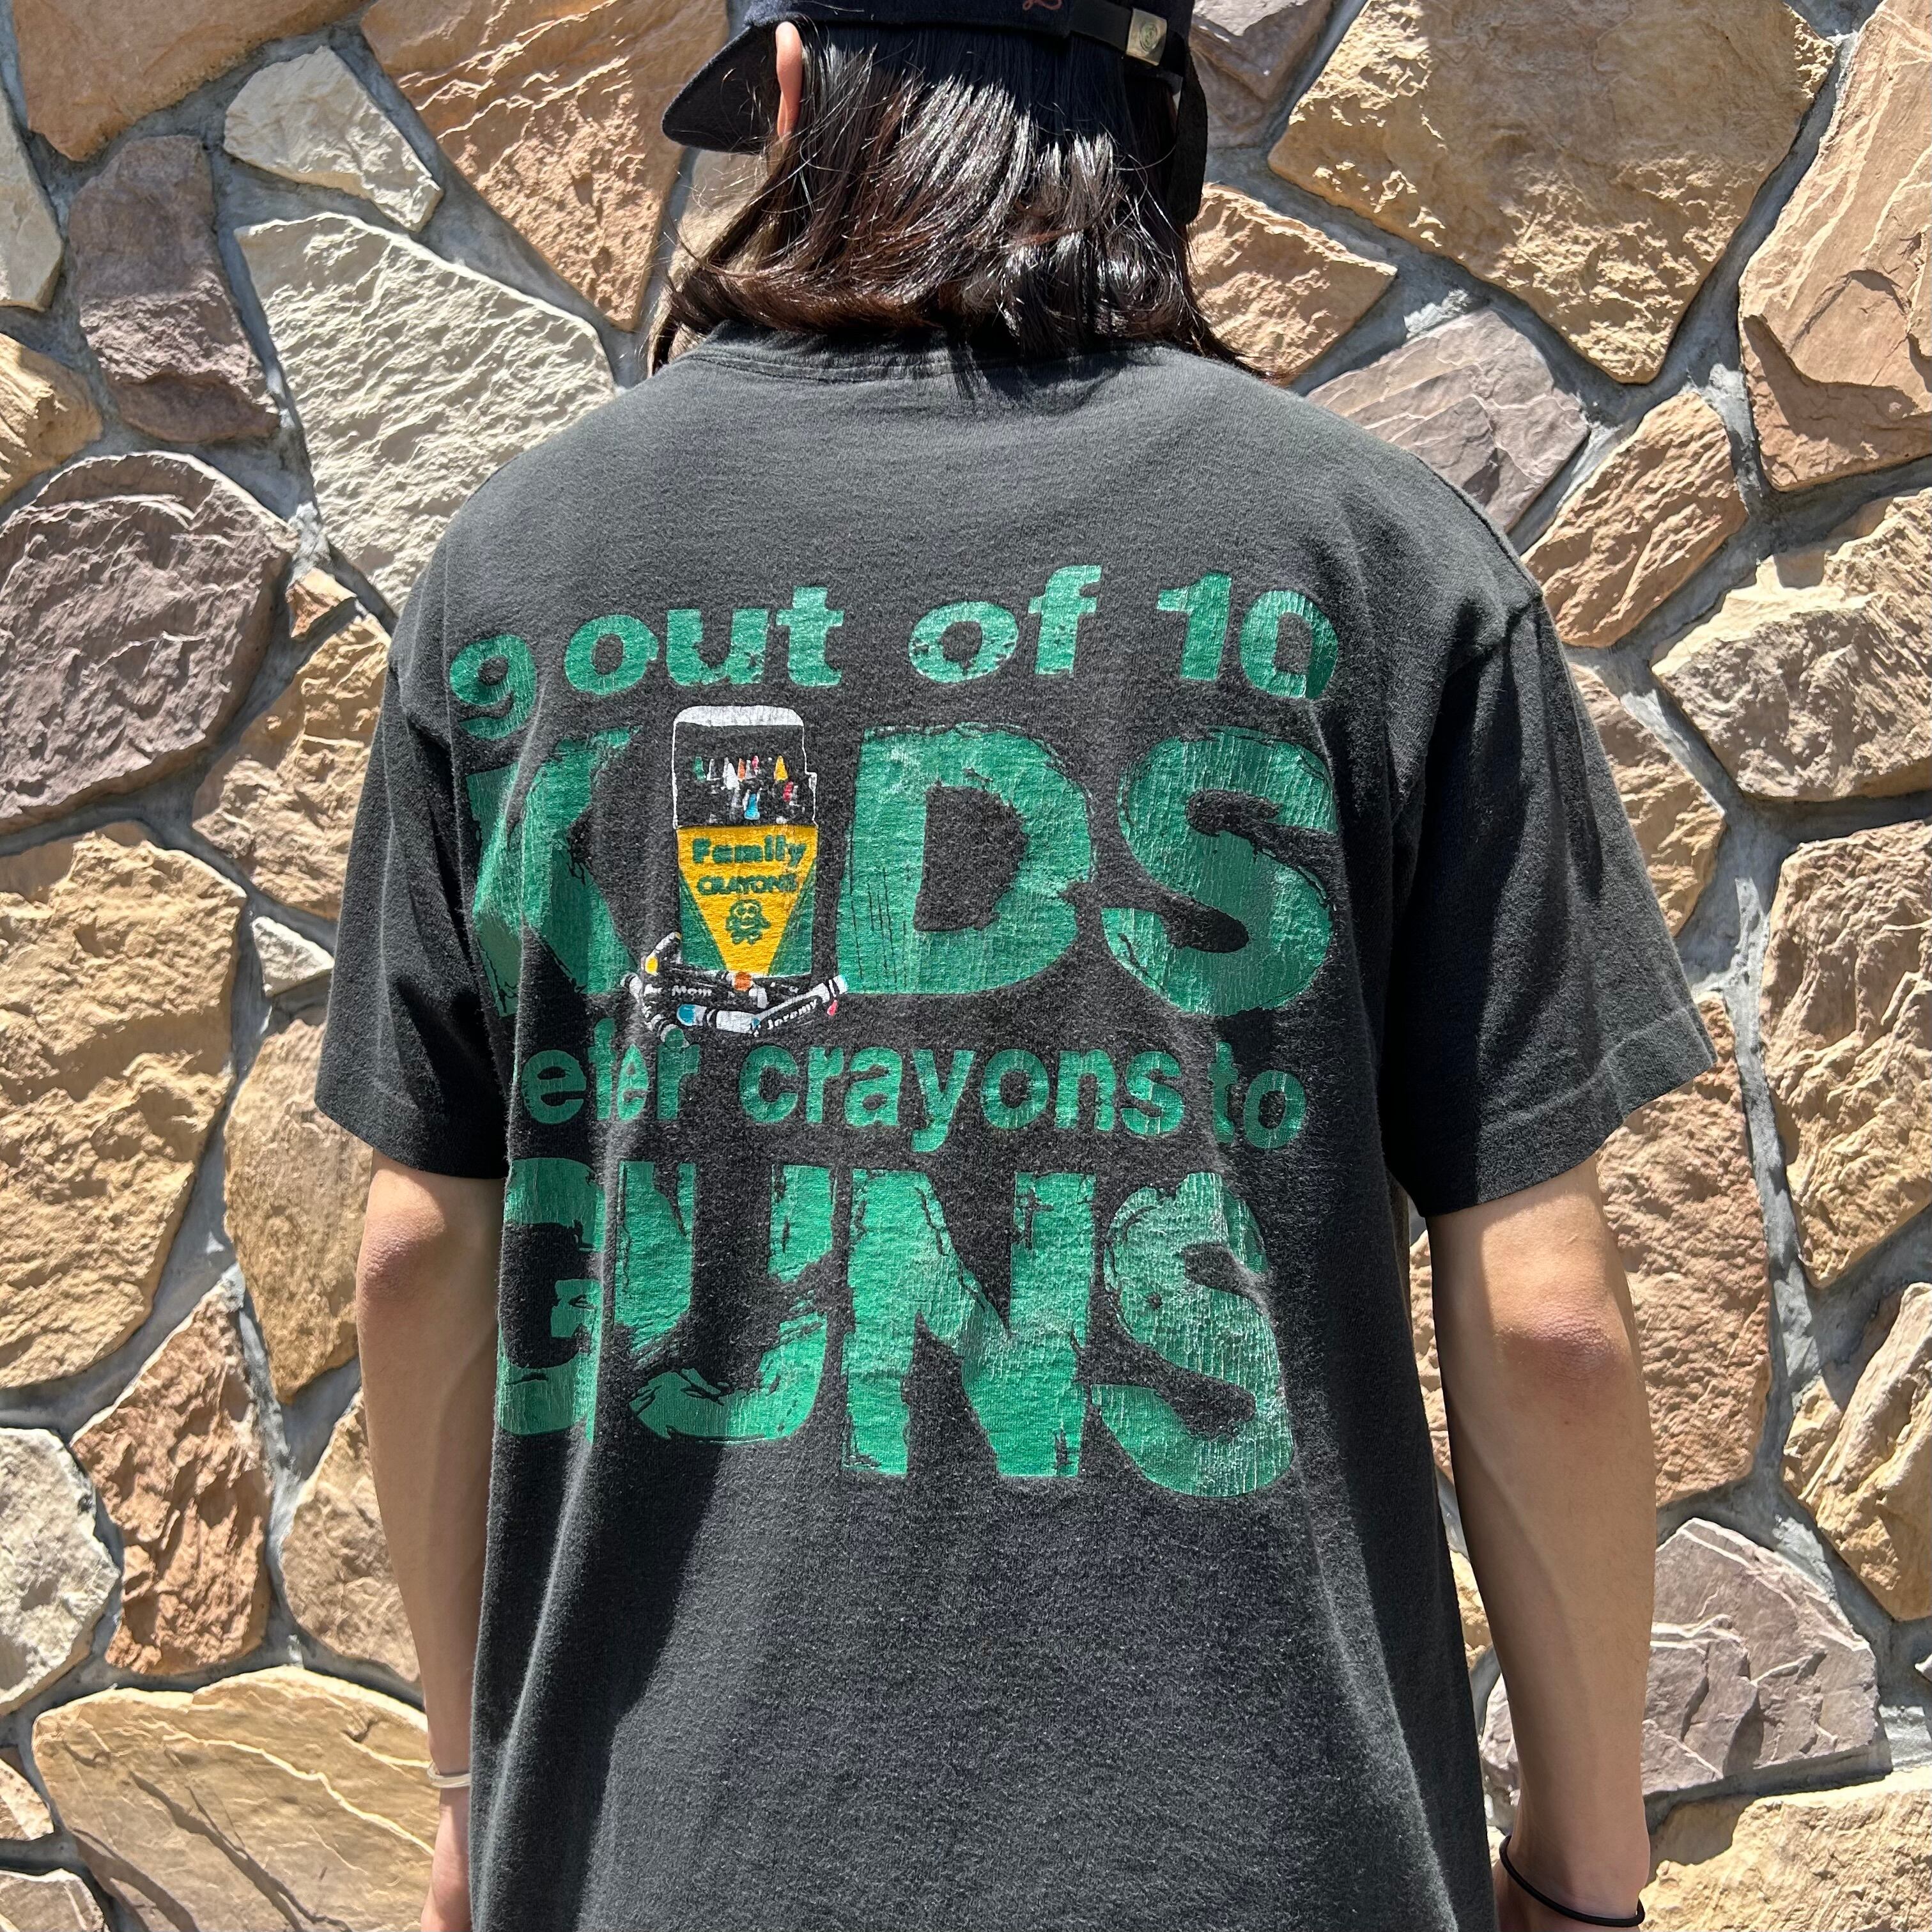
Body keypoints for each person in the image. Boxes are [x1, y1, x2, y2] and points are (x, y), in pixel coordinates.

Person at [317, 2, 1709, 1926]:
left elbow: (418, 1257)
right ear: (1150, 125)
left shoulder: (513, 572)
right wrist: (1584, 1867)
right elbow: (1548, 1324)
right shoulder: (1387, 564)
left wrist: (474, 1787)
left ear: (789, 90)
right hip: (1266, 1869)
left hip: (669, 1861)